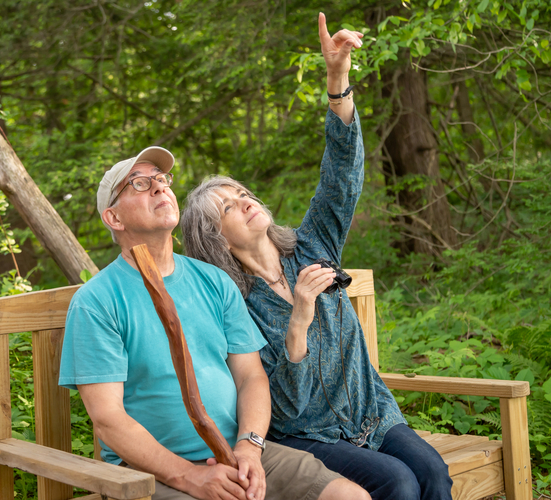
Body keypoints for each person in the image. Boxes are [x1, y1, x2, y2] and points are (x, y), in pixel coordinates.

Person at [180, 13, 454, 500]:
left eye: (242, 191)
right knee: (398, 483)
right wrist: (300, 315)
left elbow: (342, 177)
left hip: (371, 412)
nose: (245, 199)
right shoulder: (233, 302)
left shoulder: (312, 245)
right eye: (227, 205)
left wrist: (336, 79)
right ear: (216, 239)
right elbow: (285, 404)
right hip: (305, 435)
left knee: (430, 472)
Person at [58, 144, 370, 498]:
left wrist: (250, 446)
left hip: (238, 454)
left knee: (350, 496)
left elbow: (251, 376)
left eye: (161, 179)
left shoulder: (214, 281)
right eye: (139, 184)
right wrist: (188, 475)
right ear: (114, 218)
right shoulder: (97, 301)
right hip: (149, 474)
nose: (160, 187)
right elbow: (108, 420)